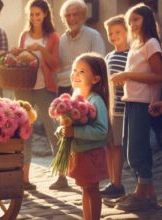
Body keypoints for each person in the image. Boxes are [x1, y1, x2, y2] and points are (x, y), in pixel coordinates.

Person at [109, 3, 162, 211]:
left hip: (144, 103)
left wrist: (128, 75)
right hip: (131, 101)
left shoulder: (151, 44)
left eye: (136, 20)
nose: (132, 24)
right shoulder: (136, 45)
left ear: (147, 20)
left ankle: (141, 194)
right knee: (129, 148)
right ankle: (148, 194)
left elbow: (159, 75)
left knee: (136, 151)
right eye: (130, 21)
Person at [11, 0, 60, 191]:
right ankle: (24, 178)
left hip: (44, 87)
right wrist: (17, 52)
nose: (34, 18)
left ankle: (61, 176)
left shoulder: (52, 37)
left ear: (45, 14)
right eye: (31, 14)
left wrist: (40, 49)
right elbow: (19, 60)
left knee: (53, 130)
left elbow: (55, 64)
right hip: (24, 87)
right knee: (25, 132)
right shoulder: (24, 35)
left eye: (37, 14)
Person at [61, 53, 109, 220]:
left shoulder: (96, 101)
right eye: (75, 70)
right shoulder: (76, 98)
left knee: (92, 189)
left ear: (95, 79)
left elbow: (102, 131)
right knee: (84, 188)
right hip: (79, 152)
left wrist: (75, 132)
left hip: (92, 154)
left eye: (82, 71)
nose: (76, 74)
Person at [100, 15, 128, 198]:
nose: (113, 36)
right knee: (109, 145)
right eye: (110, 33)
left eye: (117, 32)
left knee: (116, 146)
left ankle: (117, 184)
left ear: (126, 32)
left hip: (121, 108)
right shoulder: (109, 56)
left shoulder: (130, 55)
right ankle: (111, 181)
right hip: (109, 108)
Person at [57, 0, 106, 96]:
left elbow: (99, 65)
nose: (71, 18)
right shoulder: (61, 39)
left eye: (75, 14)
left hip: (85, 89)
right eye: (67, 15)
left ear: (83, 16)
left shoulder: (94, 36)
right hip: (64, 88)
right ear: (63, 19)